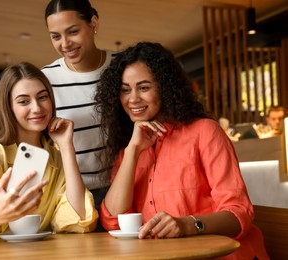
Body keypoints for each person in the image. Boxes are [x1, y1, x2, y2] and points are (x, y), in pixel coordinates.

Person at [94, 42, 269, 259]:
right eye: (125, 90)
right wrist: (133, 152)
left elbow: (238, 213)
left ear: (165, 87)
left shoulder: (205, 132)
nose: (133, 99)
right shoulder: (130, 148)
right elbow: (112, 220)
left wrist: (188, 224)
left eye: (144, 87)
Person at [0, 62, 98, 244]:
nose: (37, 108)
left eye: (42, 97)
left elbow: (78, 220)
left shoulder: (56, 158)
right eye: (24, 101)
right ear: (9, 108)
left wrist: (66, 147)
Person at [41, 0, 116, 230]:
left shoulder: (121, 68)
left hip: (125, 194)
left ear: (93, 24)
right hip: (71, 200)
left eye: (73, 31)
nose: (65, 44)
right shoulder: (46, 80)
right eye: (55, 36)